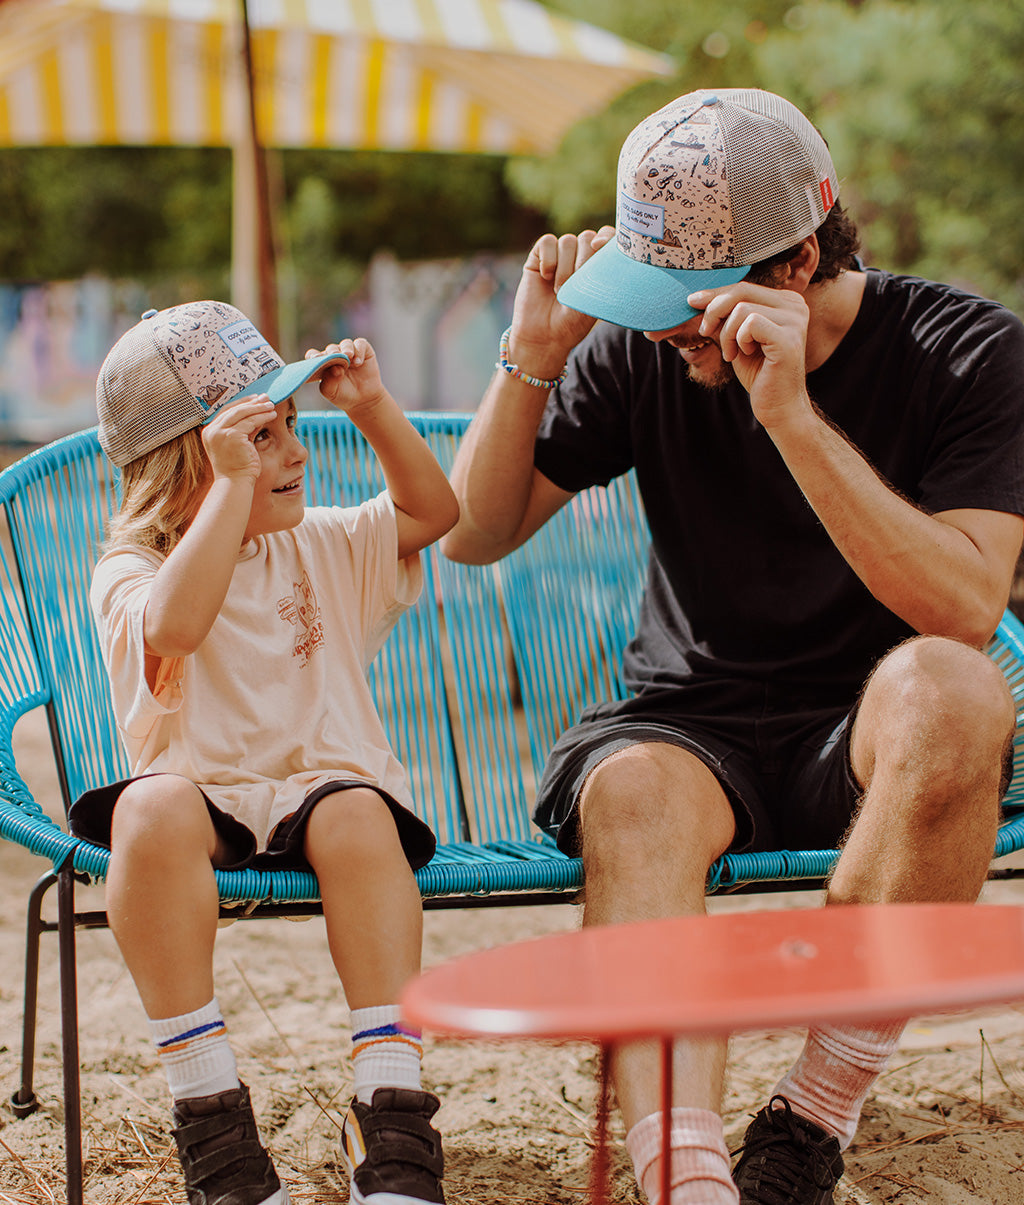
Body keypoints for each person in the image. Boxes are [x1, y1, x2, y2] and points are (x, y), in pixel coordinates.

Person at [441, 87, 1024, 1205]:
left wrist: (793, 419)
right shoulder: (645, 349)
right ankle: (686, 1172)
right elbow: (476, 531)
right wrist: (530, 354)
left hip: (867, 732)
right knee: (634, 793)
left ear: (796, 261)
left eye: (680, 299)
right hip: (684, 724)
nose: (657, 324)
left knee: (954, 692)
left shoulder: (968, 351)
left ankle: (810, 1115)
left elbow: (961, 605)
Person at [70, 300, 458, 1205]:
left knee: (361, 808)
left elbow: (432, 511)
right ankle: (211, 1119)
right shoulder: (131, 574)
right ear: (189, 464)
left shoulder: (316, 543)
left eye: (290, 429)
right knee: (146, 806)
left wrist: (370, 408)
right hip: (202, 805)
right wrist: (234, 487)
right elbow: (176, 620)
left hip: (323, 796)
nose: (295, 453)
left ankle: (392, 1113)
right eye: (264, 436)